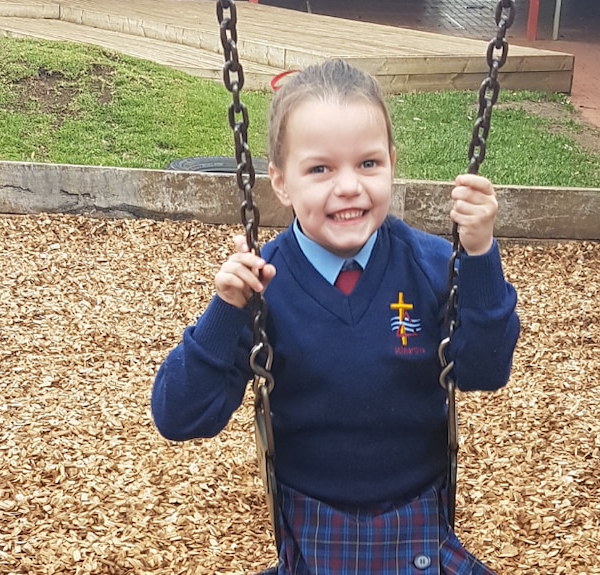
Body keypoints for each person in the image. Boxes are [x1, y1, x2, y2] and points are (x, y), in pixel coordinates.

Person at [151, 59, 520, 575]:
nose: (348, 186)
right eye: (320, 168)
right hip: (314, 531)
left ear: (392, 162)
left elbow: (485, 370)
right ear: (281, 183)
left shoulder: (431, 266)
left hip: (416, 524)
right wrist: (224, 313)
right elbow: (178, 416)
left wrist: (479, 257)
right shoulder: (263, 286)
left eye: (368, 164)